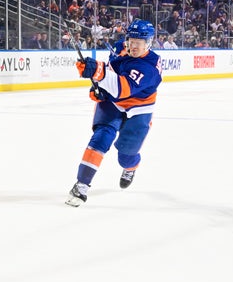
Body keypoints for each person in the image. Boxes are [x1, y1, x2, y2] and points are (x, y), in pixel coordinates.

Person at [66, 20, 162, 207]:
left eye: (139, 42)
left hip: (139, 109)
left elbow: (122, 88)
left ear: (148, 43)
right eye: (131, 40)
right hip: (114, 103)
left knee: (125, 155)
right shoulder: (121, 48)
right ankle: (82, 185)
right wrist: (99, 88)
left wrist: (98, 72)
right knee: (102, 137)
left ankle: (131, 167)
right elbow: (112, 74)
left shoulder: (149, 67)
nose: (133, 46)